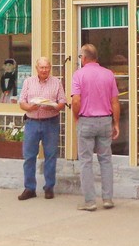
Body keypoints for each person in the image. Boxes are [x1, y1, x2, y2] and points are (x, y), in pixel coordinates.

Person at [70, 43, 120, 211]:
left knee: (85, 161)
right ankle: (107, 198)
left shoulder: (78, 75)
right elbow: (115, 102)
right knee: (106, 160)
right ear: (96, 57)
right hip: (105, 120)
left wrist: (76, 116)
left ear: (83, 58)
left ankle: (90, 201)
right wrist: (116, 122)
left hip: (86, 120)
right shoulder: (108, 74)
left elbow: (76, 100)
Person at [17, 55, 65, 200]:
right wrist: (29, 106)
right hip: (32, 122)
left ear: (50, 68)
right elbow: (21, 102)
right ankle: (29, 188)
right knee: (29, 156)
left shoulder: (56, 82)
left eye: (47, 67)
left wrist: (55, 107)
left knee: (50, 156)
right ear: (37, 68)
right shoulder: (28, 82)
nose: (44, 70)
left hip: (51, 122)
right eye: (41, 67)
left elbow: (62, 101)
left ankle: (49, 187)